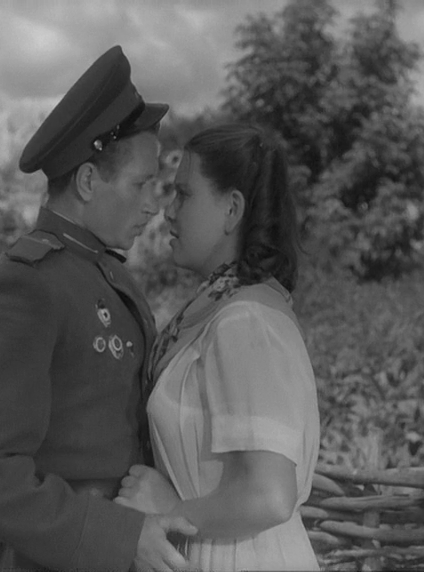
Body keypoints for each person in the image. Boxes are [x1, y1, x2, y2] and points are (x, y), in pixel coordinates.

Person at [0, 45, 197, 572]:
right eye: (140, 184)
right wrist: (118, 537)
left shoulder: (109, 275)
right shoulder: (23, 286)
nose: (153, 205)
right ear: (87, 182)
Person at [114, 124, 321, 571]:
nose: (168, 211)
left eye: (184, 195)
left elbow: (269, 495)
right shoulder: (225, 309)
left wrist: (170, 511)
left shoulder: (245, 321)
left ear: (232, 209)